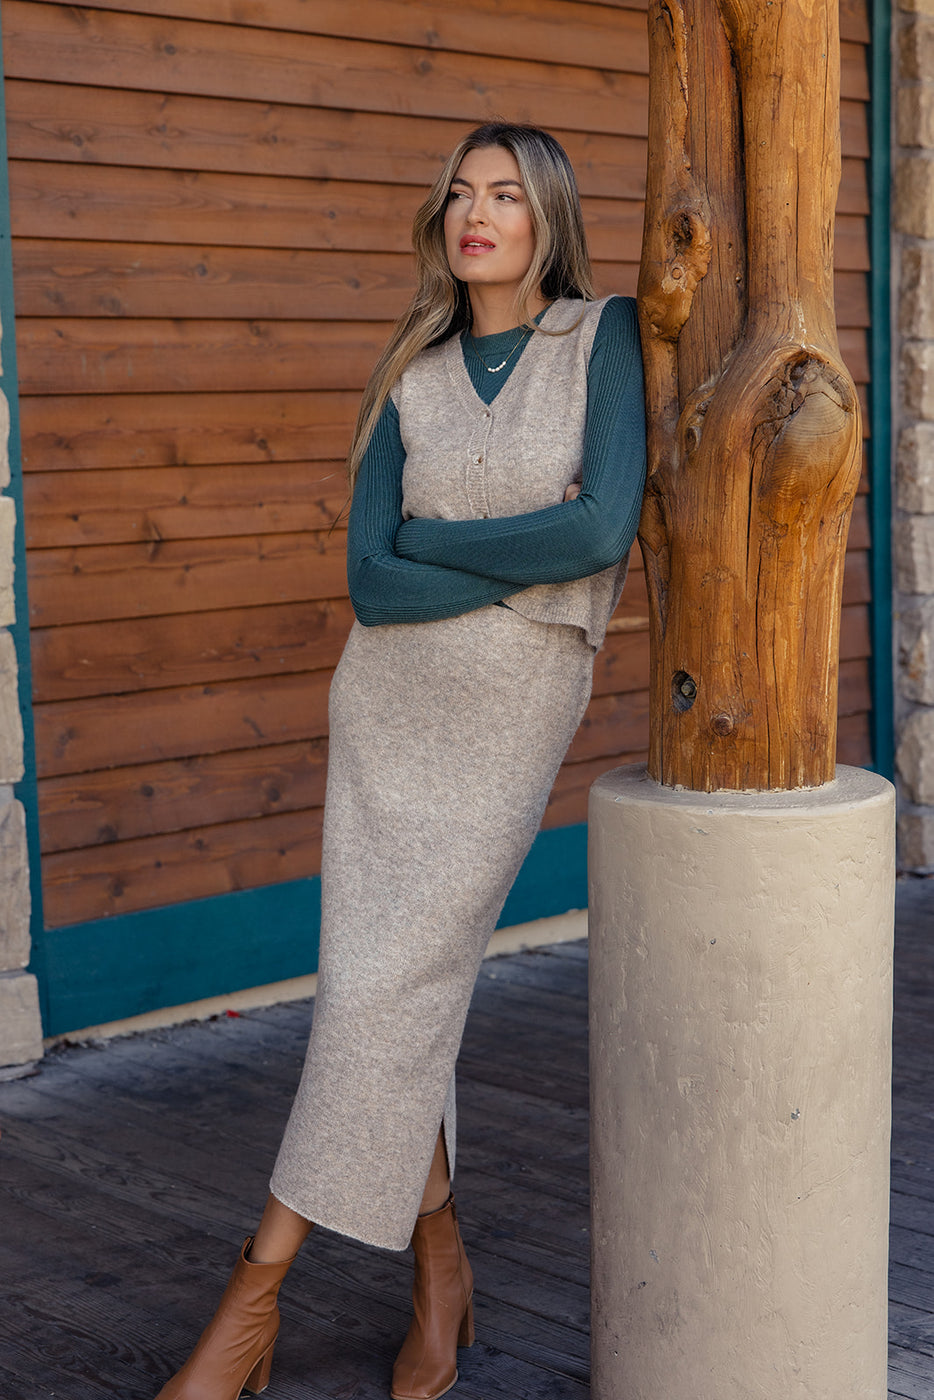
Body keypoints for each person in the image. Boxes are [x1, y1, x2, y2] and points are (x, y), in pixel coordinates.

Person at [153, 120, 646, 1400]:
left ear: (547, 218)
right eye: (460, 194)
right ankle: (440, 1263)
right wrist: (491, 560)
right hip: (385, 712)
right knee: (386, 994)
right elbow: (372, 584)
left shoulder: (602, 339)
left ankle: (252, 1298)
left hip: (507, 717)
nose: (476, 213)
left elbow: (596, 531)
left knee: (379, 995)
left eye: (506, 194)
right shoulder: (412, 366)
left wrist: (443, 548)